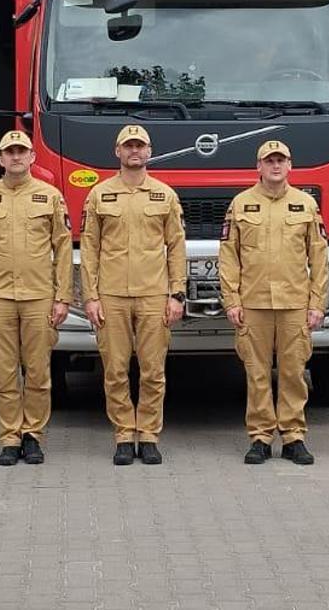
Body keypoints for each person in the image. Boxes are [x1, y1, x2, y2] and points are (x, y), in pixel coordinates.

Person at [0, 130, 73, 466]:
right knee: (4, 373)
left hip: (39, 296)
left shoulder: (50, 196)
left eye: (21, 152)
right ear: (0, 159)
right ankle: (10, 437)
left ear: (32, 157)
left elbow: (63, 248)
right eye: (9, 152)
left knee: (38, 372)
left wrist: (63, 296)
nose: (15, 157)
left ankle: (33, 435)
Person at [80, 124, 186, 466]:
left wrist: (177, 294)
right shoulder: (99, 195)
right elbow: (90, 249)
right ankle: (124, 434)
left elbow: (176, 248)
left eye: (140, 146)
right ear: (118, 152)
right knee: (115, 369)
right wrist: (91, 297)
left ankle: (150, 435)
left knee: (153, 370)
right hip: (111, 295)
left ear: (150, 152)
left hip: (154, 294)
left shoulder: (165, 195)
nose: (134, 151)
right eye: (128, 146)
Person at [217, 140, 328, 465]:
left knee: (294, 372)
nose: (275, 166)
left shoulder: (306, 205)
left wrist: (317, 303)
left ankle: (294, 436)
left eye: (281, 160)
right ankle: (261, 437)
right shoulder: (240, 204)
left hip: (295, 303)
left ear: (290, 165)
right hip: (253, 304)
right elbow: (228, 257)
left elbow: (318, 257)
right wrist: (231, 300)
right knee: (257, 373)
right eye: (269, 161)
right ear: (259, 166)